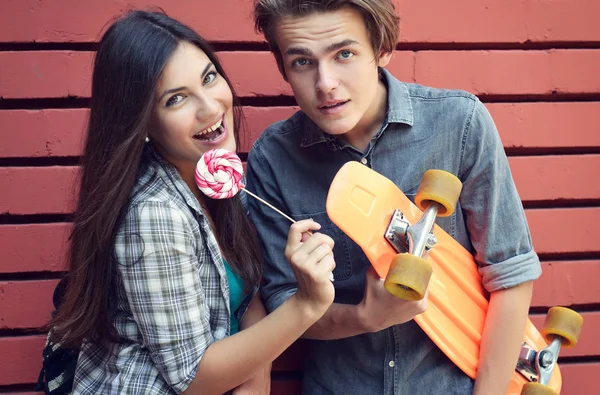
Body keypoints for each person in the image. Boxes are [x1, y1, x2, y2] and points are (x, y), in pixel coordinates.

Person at [247, 1, 542, 394]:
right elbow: (281, 303)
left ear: (381, 49)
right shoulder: (274, 157)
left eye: (345, 54)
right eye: (302, 62)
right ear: (283, 67)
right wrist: (364, 317)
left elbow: (510, 275)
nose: (325, 83)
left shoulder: (460, 124)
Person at [48, 10, 336, 395]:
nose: (210, 108)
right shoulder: (155, 213)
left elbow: (245, 295)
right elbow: (193, 378)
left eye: (209, 78)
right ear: (143, 124)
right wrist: (307, 305)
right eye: (176, 99)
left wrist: (258, 376)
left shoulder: (214, 178)